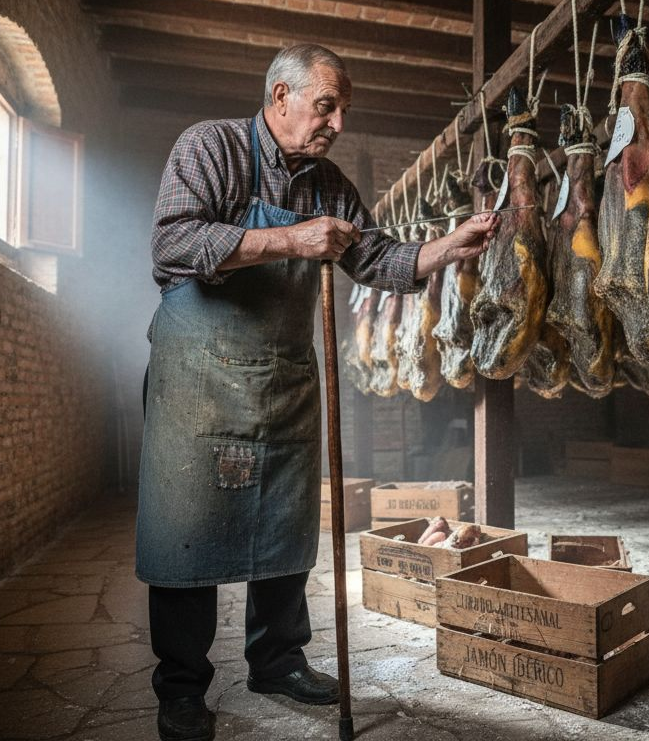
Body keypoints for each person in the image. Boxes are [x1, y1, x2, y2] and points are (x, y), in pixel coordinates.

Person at [136, 44, 497, 741]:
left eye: (343, 111)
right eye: (324, 105)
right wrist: (291, 241)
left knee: (285, 521)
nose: (335, 122)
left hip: (280, 378)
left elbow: (376, 258)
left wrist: (446, 247)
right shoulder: (210, 147)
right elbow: (173, 245)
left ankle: (277, 661)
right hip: (200, 379)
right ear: (280, 97)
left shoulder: (329, 182)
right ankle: (181, 688)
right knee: (185, 533)